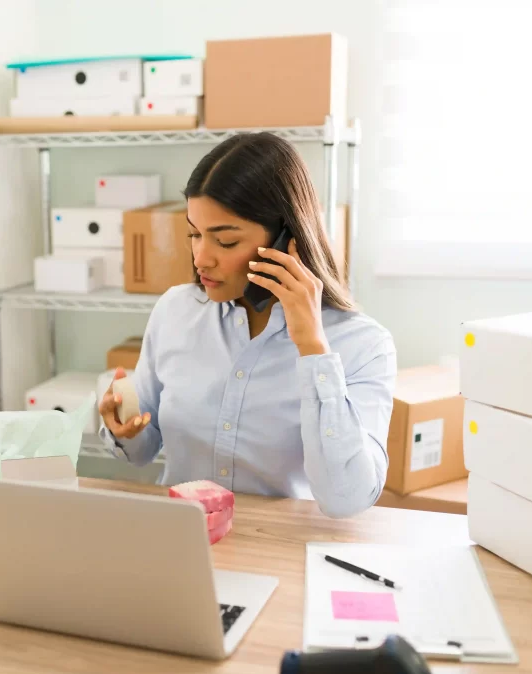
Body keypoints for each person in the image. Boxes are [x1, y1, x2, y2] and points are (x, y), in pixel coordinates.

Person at [98, 132, 396, 518]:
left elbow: (348, 500)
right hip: (185, 541)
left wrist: (312, 350)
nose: (202, 258)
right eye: (194, 234)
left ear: (286, 238)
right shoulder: (175, 311)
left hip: (285, 551)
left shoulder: (363, 344)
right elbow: (142, 452)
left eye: (225, 242)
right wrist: (124, 426)